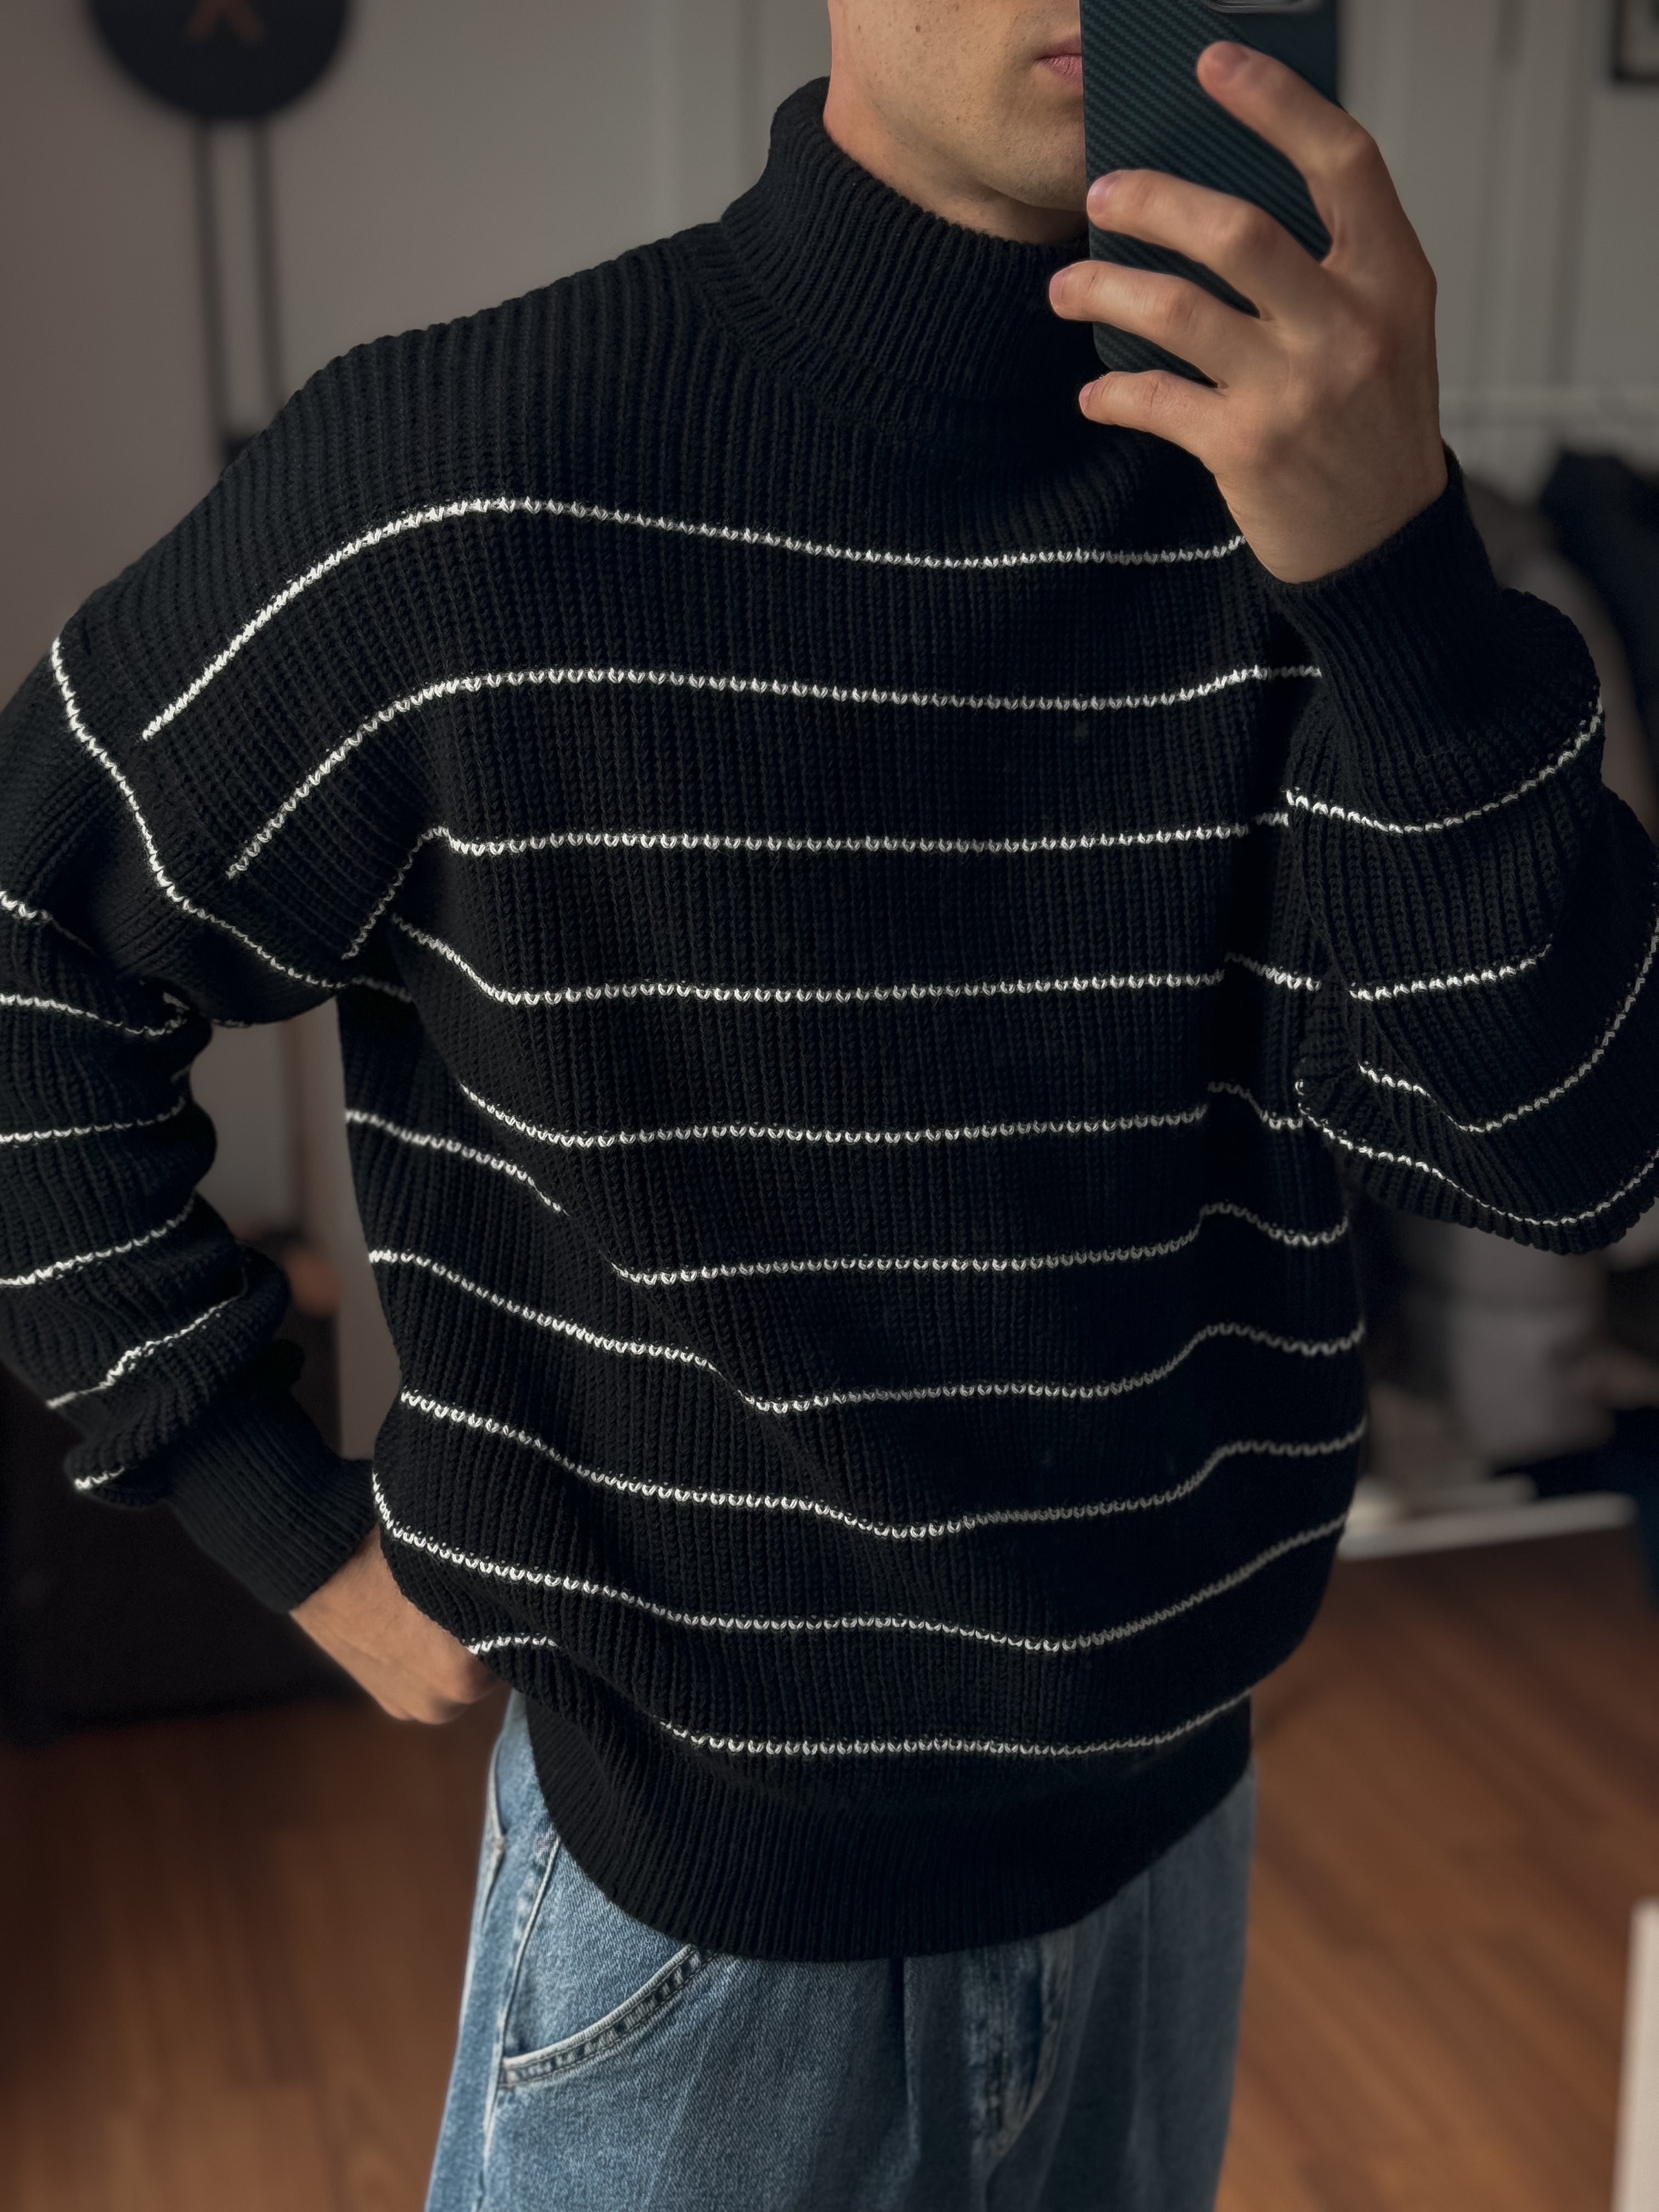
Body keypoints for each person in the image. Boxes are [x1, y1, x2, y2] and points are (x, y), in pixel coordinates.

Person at [2, 5, 1655, 2205]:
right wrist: (263, 1508)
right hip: (695, 1934)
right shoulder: (467, 473)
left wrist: (1404, 579)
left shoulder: (1326, 507)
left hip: (1174, 1839)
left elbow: (1561, 1156)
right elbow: (24, 942)